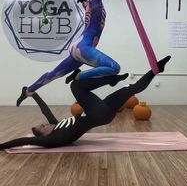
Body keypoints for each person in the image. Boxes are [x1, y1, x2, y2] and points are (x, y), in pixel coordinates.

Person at [17, 0, 120, 106]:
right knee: (114, 67)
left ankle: (29, 90)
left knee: (53, 74)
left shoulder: (90, 1)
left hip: (78, 47)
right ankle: (79, 76)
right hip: (84, 47)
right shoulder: (93, 0)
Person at [1, 56, 171, 150]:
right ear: (44, 134)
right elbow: (24, 141)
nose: (45, 124)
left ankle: (155, 70)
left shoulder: (56, 125)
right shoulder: (53, 139)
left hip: (101, 112)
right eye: (42, 127)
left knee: (130, 89)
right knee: (76, 85)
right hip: (96, 113)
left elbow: (45, 110)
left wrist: (33, 94)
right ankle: (109, 79)